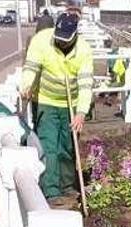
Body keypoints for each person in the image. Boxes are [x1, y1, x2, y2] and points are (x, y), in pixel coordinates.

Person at [20, 12, 94, 205]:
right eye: (58, 39)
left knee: (68, 146)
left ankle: (67, 186)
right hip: (45, 100)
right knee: (49, 145)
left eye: (65, 41)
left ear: (74, 36)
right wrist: (26, 86)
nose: (61, 43)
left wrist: (81, 113)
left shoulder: (84, 50)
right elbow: (31, 68)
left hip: (71, 104)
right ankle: (51, 190)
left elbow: (86, 85)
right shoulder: (41, 41)